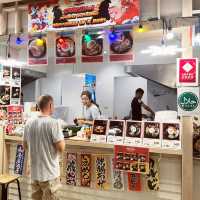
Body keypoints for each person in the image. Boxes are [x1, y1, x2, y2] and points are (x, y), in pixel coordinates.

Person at [23, 95, 65, 200]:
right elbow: (61, 148)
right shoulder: (54, 123)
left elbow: (25, 145)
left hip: (34, 174)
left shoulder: (29, 122)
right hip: (49, 174)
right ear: (50, 105)